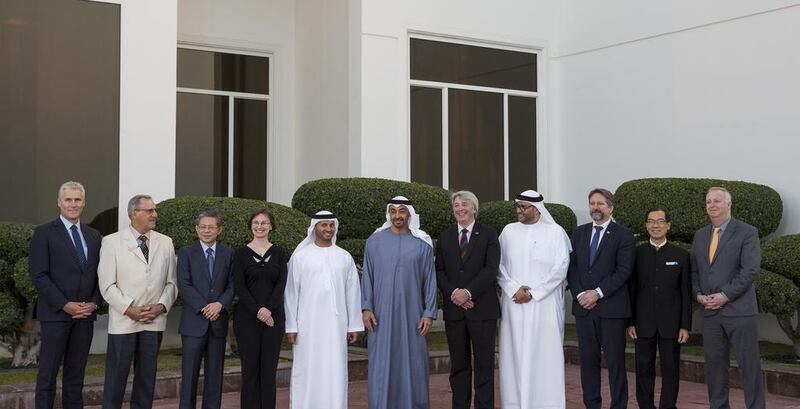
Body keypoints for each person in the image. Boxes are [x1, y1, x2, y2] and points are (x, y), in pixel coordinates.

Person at [98, 194, 178, 409]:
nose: (155, 214)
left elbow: (172, 283)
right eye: (149, 210)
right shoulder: (111, 242)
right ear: (134, 214)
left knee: (146, 379)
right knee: (116, 378)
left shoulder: (166, 242)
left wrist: (160, 306)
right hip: (124, 322)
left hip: (153, 321)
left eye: (155, 210)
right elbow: (106, 284)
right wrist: (129, 309)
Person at [28, 181, 102, 409]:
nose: (73, 204)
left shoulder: (94, 235)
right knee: (48, 374)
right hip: (55, 315)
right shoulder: (43, 233)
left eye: (77, 200)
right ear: (59, 203)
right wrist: (64, 304)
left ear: (84, 203)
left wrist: (94, 303)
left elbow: (102, 274)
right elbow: (39, 275)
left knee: (76, 375)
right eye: (68, 200)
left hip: (84, 317)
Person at [691, 187, 765, 409]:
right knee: (714, 366)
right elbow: (694, 270)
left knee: (749, 365)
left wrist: (725, 295)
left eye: (716, 201)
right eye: (708, 202)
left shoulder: (747, 232)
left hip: (739, 311)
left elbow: (750, 270)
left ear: (728, 204)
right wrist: (698, 295)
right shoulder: (700, 235)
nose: (711, 205)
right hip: (710, 313)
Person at [361, 196, 438, 409]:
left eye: (402, 211)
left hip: (413, 315)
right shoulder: (374, 242)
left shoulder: (422, 245)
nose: (397, 215)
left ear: (409, 214)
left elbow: (430, 281)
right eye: (393, 211)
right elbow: (367, 276)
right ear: (389, 213)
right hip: (380, 316)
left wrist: (429, 312)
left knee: (413, 362)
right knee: (381, 364)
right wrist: (366, 307)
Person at [497, 190, 571, 409]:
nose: (519, 211)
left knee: (545, 356)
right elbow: (498, 265)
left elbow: (561, 268)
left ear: (537, 209)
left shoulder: (556, 232)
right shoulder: (508, 231)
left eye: (523, 207)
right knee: (514, 356)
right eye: (517, 207)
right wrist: (513, 289)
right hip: (514, 304)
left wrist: (533, 292)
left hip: (544, 305)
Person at [284, 211, 364, 409]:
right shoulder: (301, 257)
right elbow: (291, 293)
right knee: (307, 369)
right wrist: (291, 326)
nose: (328, 229)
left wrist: (354, 325)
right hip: (307, 326)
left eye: (331, 225)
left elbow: (353, 292)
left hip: (336, 326)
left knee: (335, 369)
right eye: (324, 225)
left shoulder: (344, 257)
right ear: (314, 227)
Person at [566, 188, 635, 409]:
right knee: (588, 363)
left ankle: (618, 405)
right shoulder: (579, 233)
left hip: (612, 310)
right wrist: (579, 295)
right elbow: (571, 267)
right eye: (592, 203)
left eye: (600, 204)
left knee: (615, 363)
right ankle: (592, 404)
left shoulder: (623, 235)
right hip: (584, 310)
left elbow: (623, 271)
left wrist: (597, 293)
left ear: (610, 207)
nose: (595, 207)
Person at [435, 191, 500, 409]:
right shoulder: (444, 237)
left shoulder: (489, 235)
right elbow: (439, 272)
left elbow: (490, 270)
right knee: (459, 367)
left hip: (483, 311)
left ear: (474, 208)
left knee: (484, 365)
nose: (460, 208)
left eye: (465, 204)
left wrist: (468, 293)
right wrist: (455, 294)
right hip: (455, 312)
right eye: (456, 205)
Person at [627, 207, 692, 409]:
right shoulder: (636, 253)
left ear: (668, 225)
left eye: (660, 221)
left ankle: (667, 405)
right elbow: (631, 290)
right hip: (642, 323)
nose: (655, 225)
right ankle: (645, 405)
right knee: (643, 368)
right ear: (646, 225)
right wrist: (630, 322)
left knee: (670, 369)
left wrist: (685, 325)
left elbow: (685, 293)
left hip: (671, 324)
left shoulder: (681, 255)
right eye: (651, 221)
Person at [177, 210, 235, 409]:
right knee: (189, 376)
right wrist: (204, 307)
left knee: (214, 376)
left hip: (218, 323)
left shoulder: (229, 254)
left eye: (211, 227)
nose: (207, 230)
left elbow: (232, 285)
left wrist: (219, 304)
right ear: (196, 229)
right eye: (203, 227)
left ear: (220, 230)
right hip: (194, 323)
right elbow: (184, 285)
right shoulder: (186, 253)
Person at [232, 207, 288, 409]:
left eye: (264, 223)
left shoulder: (279, 253)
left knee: (268, 370)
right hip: (247, 319)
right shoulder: (239, 254)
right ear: (250, 226)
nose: (260, 226)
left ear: (271, 226)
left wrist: (269, 310)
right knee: (250, 370)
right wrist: (259, 311)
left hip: (274, 319)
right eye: (256, 222)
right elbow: (240, 287)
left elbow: (281, 285)